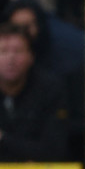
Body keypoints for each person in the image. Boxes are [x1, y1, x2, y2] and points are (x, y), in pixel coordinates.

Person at [0, 23, 71, 161]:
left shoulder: (50, 90)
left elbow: (53, 150)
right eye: (3, 51)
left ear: (31, 56)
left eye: (18, 51)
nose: (11, 59)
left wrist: (3, 139)